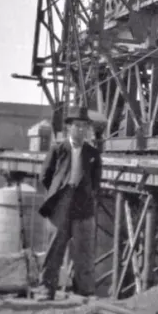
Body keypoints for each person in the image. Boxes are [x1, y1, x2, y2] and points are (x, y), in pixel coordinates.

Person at [36, 106, 103, 300]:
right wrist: (57, 194)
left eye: (84, 126)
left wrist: (88, 194)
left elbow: (96, 181)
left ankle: (84, 291)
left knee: (84, 248)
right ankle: (46, 289)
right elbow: (45, 176)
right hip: (62, 201)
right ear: (69, 128)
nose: (81, 130)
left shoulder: (92, 153)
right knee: (55, 246)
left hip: (83, 202)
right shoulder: (58, 149)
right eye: (77, 126)